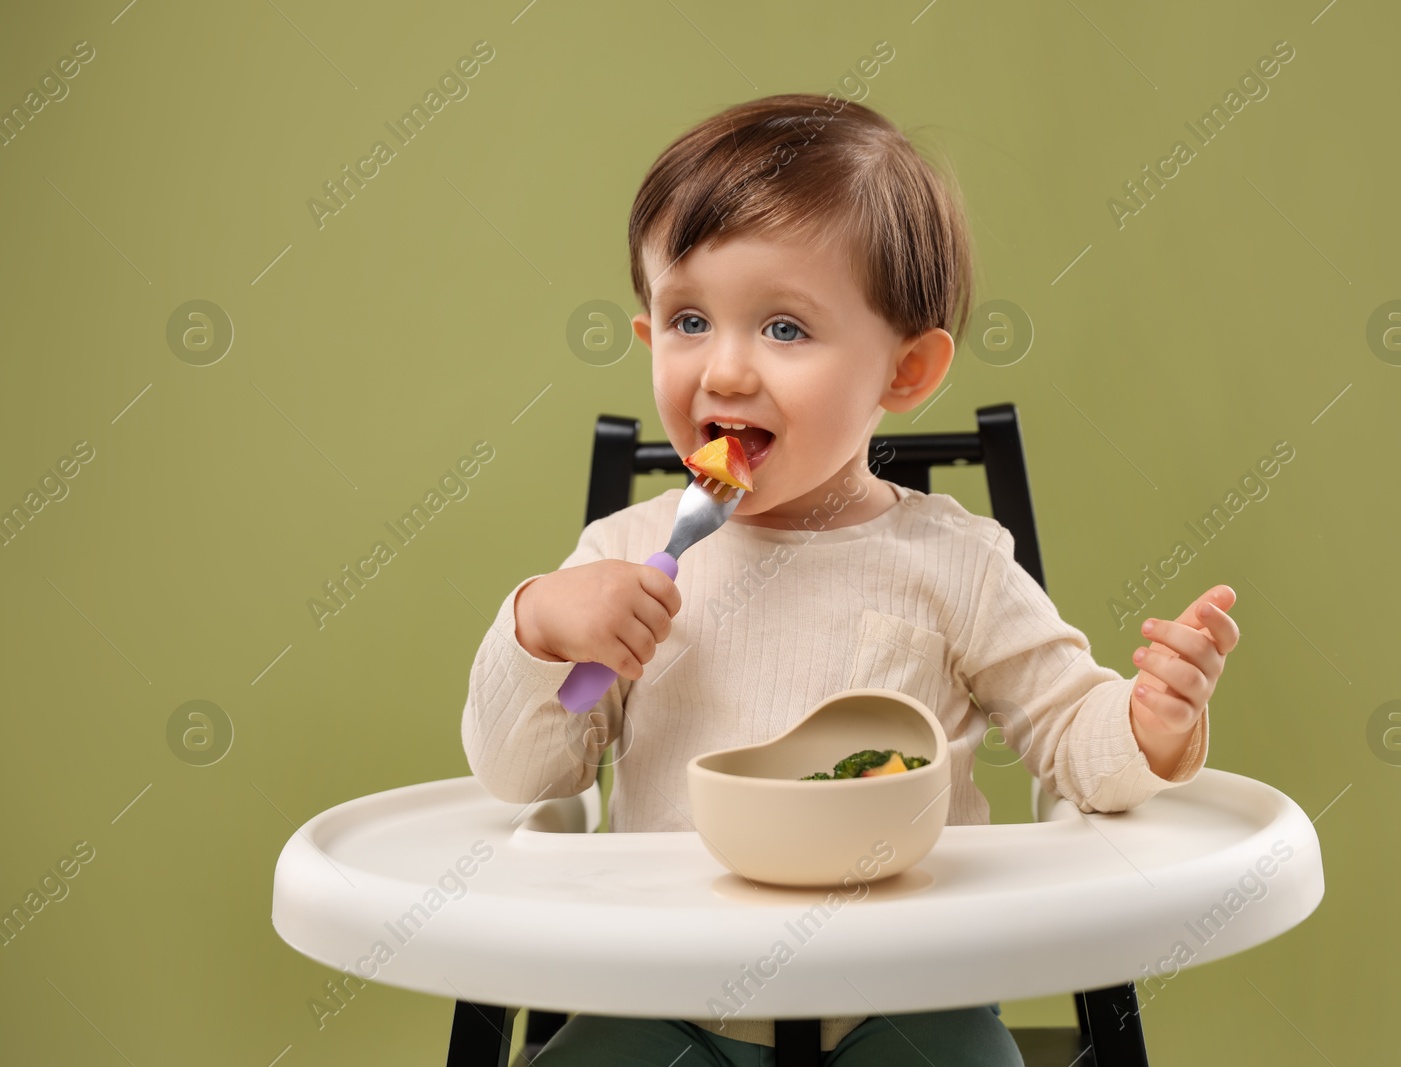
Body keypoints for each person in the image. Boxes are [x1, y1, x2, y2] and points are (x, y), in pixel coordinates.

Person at [461, 92, 1242, 1066]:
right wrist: (539, 626)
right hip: (665, 990)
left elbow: (1068, 731)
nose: (727, 370)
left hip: (905, 993)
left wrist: (1150, 727)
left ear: (904, 372)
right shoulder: (620, 555)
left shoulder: (954, 562)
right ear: (647, 337)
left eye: (784, 328)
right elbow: (521, 775)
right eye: (689, 319)